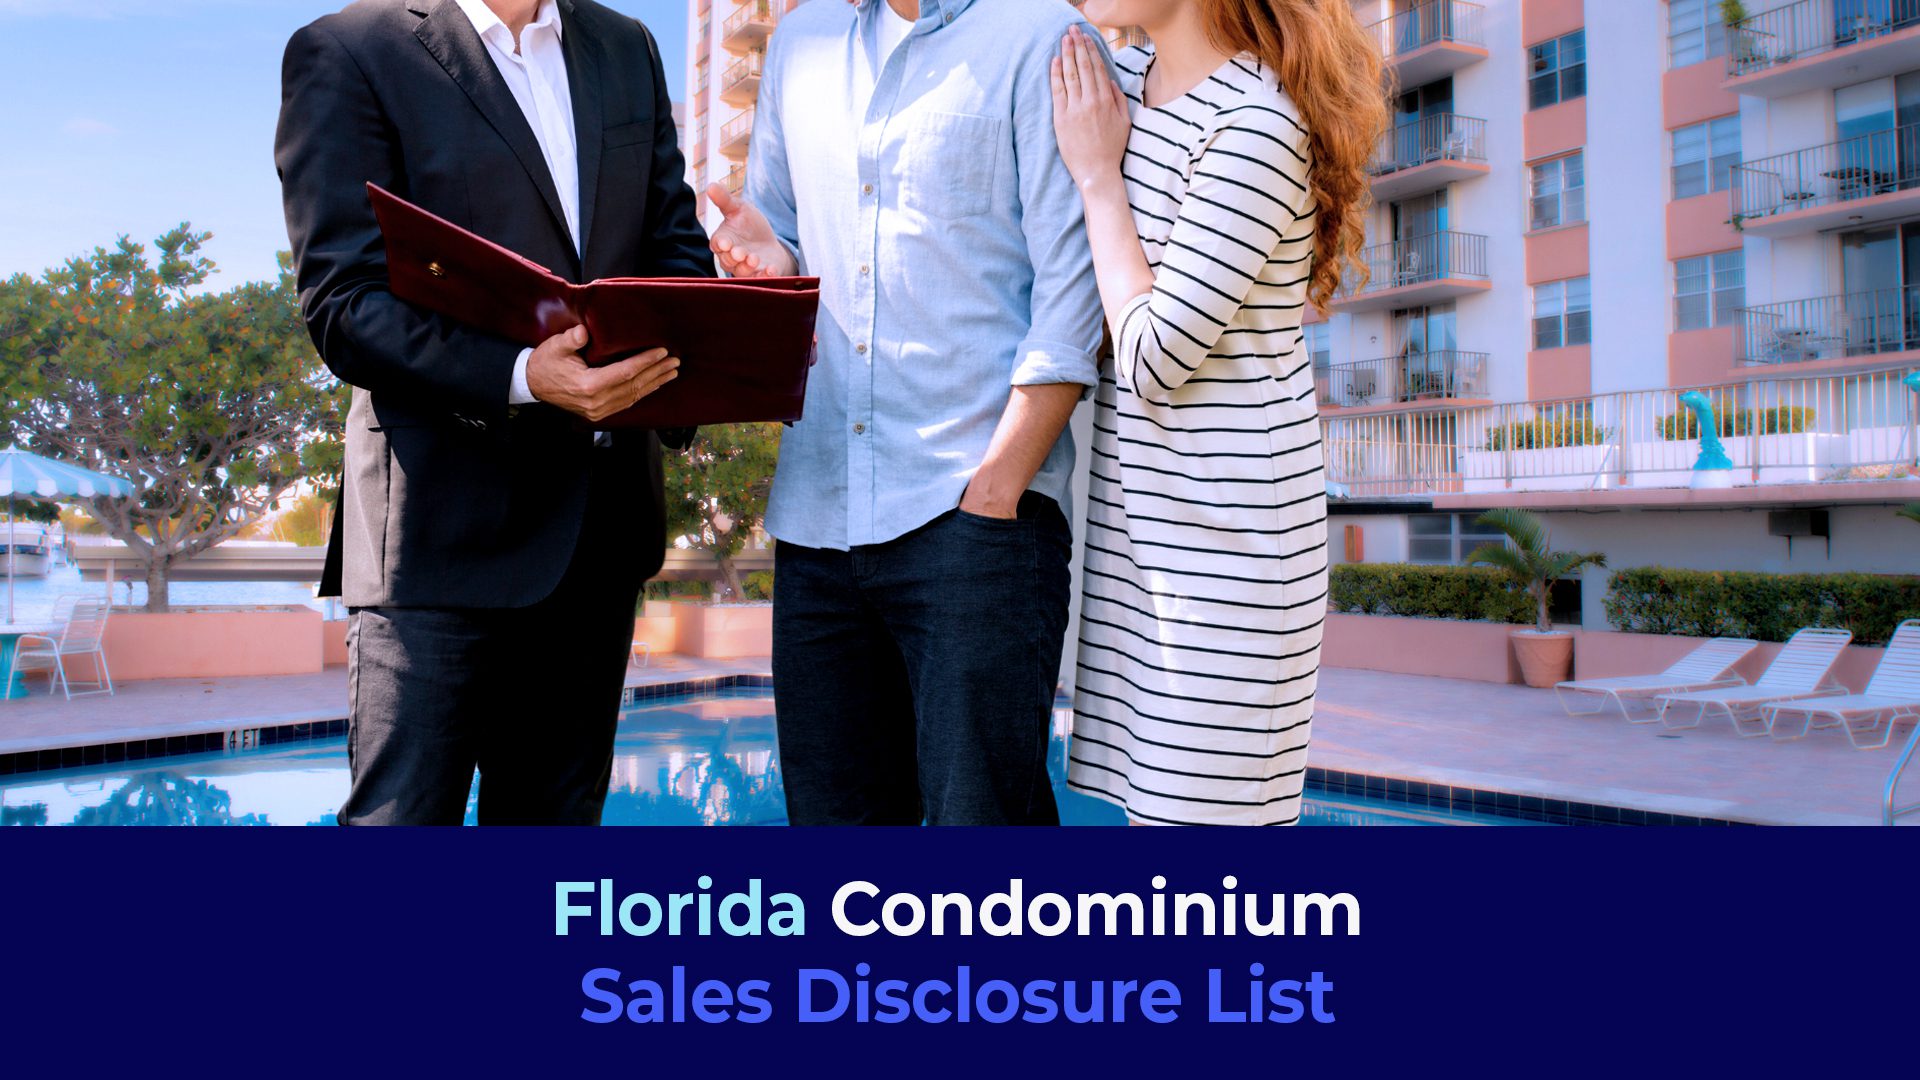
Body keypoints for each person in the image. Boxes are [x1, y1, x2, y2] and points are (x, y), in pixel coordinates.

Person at [275, 0, 710, 824]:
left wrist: (724, 333)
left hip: (597, 531)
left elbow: (673, 252)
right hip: (435, 539)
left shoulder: (627, 46)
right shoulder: (346, 51)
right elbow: (344, 303)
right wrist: (518, 375)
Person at [705, 0, 1107, 825]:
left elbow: (1074, 291)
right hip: (818, 523)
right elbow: (788, 246)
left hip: (976, 521)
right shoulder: (800, 42)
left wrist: (996, 491)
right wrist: (768, 255)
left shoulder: (1043, 38)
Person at [1051, 2, 1387, 824]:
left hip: (1232, 560)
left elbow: (1154, 357)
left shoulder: (1256, 124)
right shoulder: (1120, 86)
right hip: (1144, 557)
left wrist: (1099, 178)